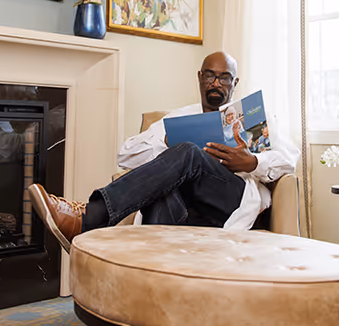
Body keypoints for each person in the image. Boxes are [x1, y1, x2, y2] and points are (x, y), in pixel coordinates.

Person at [37, 51, 298, 252]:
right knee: (165, 188)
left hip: (231, 201)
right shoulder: (178, 118)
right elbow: (125, 155)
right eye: (210, 75)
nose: (216, 83)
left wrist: (252, 162)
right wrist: (165, 141)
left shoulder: (252, 115)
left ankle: (90, 217)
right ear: (200, 77)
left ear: (235, 82)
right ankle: (148, 286)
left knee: (189, 153)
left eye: (224, 77)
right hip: (186, 207)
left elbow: (290, 159)